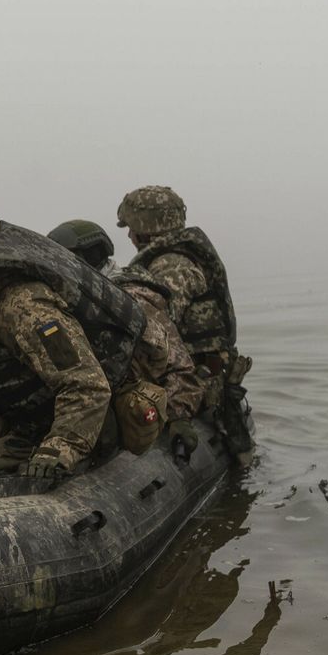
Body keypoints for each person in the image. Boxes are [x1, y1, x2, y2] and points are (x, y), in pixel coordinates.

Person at [0, 196, 146, 481]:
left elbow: (86, 384)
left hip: (75, 422)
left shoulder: (22, 306)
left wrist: (59, 449)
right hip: (24, 414)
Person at [113, 187, 252, 460]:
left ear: (145, 227)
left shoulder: (171, 266)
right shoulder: (176, 259)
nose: (129, 235)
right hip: (202, 375)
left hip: (197, 383)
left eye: (130, 227)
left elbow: (156, 332)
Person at [49, 219, 205, 449]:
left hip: (132, 402)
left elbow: (179, 367)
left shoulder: (131, 300)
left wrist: (178, 416)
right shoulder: (79, 298)